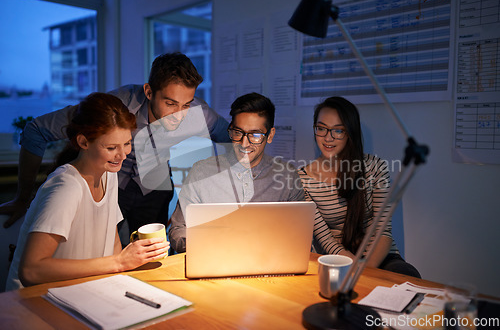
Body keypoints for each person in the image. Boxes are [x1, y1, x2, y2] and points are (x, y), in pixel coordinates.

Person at [0, 53, 230, 239]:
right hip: (109, 185)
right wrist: (23, 197)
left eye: (186, 105)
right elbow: (36, 131)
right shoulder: (117, 105)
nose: (179, 116)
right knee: (100, 254)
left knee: (151, 257)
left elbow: (233, 137)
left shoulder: (199, 114)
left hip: (155, 188)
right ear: (149, 91)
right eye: (170, 103)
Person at [5, 93, 169, 290]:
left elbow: (112, 241)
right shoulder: (66, 187)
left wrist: (125, 265)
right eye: (111, 147)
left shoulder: (108, 173)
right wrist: (119, 262)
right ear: (83, 142)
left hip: (80, 292)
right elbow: (31, 271)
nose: (123, 154)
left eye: (127, 143)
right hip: (33, 304)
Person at [298, 97, 420, 278]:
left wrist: (365, 271)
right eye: (321, 128)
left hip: (378, 257)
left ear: (350, 132)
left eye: (338, 130)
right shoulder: (303, 178)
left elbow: (382, 230)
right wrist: (351, 267)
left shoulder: (375, 166)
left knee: (407, 275)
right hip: (336, 258)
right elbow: (325, 239)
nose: (328, 137)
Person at [168, 93, 305, 253]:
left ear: (270, 135)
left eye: (255, 135)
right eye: (238, 132)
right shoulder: (201, 172)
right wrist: (210, 246)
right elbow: (178, 231)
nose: (244, 143)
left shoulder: (287, 177)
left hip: (267, 266)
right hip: (214, 262)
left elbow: (298, 235)